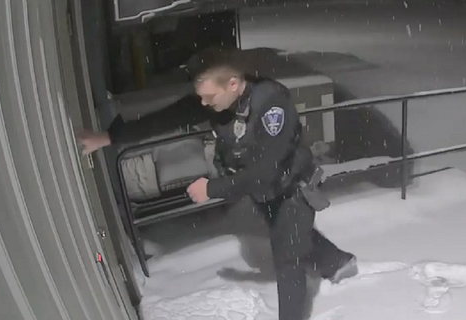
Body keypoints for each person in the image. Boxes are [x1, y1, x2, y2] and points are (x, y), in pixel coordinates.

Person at [79, 47, 358, 320]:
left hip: (291, 191)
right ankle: (337, 262)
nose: (203, 104)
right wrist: (107, 138)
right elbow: (164, 118)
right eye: (201, 98)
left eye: (209, 97)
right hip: (263, 192)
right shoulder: (218, 100)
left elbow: (265, 171)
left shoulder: (272, 106)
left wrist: (211, 189)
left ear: (233, 84)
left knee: (288, 262)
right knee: (290, 237)